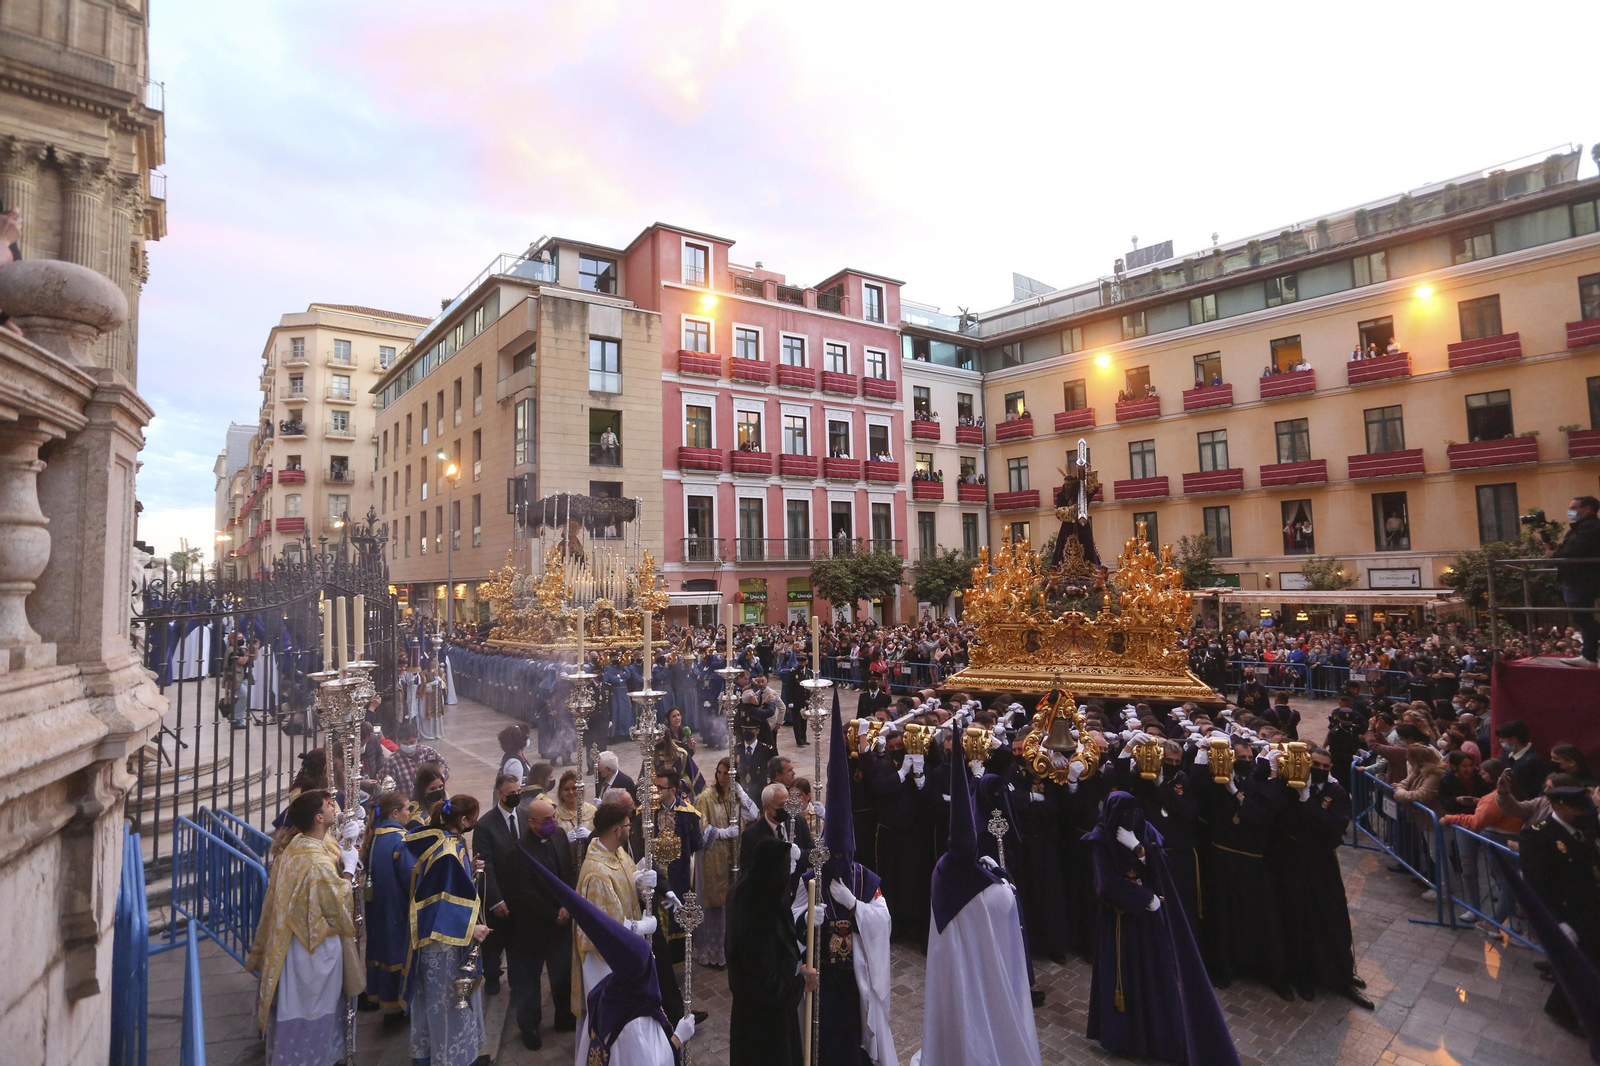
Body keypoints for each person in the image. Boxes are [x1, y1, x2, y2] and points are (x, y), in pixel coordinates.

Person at [508, 827, 697, 1065]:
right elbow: (651, 1061)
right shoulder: (635, 1020)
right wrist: (678, 1038)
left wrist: (640, 880)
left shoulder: (602, 995)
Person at [913, 726, 1041, 1066]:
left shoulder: (943, 872)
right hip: (977, 955)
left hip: (977, 954)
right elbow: (1005, 906)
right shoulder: (986, 890)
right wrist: (1002, 885)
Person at [1084, 791, 1240, 1065]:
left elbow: (1164, 868)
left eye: (1133, 812)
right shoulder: (1100, 839)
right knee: (1124, 981)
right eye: (1123, 813)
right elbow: (1106, 885)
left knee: (1155, 978)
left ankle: (1160, 1037)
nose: (1129, 818)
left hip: (1149, 925)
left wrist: (1139, 850)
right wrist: (1146, 898)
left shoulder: (1145, 831)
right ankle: (1125, 1038)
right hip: (1119, 924)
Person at [795, 691, 897, 1065]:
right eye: (832, 855)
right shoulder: (810, 879)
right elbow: (791, 918)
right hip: (820, 973)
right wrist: (808, 918)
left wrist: (856, 906)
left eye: (843, 856)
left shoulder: (865, 880)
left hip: (855, 973)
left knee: (853, 1036)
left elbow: (884, 922)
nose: (838, 861)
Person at [246, 789, 364, 1066]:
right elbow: (336, 903)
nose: (335, 808)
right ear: (318, 817)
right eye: (329, 805)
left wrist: (349, 839)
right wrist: (348, 871)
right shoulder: (315, 863)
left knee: (301, 1004)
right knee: (314, 1007)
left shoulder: (298, 844)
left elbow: (329, 849)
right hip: (314, 949)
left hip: (294, 943)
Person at [1270, 748, 1373, 1008]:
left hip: (1322, 861)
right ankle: (1303, 975)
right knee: (1299, 916)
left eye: (1326, 766)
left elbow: (1335, 825)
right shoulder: (1289, 788)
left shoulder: (1335, 791)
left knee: (1333, 916)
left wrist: (1307, 802)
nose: (1321, 770)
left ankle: (1342, 975)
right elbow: (1285, 821)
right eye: (1316, 764)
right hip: (1293, 859)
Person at [402, 795, 490, 1066]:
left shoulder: (445, 838)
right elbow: (439, 902)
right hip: (443, 945)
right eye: (473, 817)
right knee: (448, 1007)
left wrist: (470, 871)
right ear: (463, 820)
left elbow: (450, 884)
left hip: (438, 942)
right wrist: (471, 928)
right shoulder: (448, 852)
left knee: (437, 1006)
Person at [1518, 776, 1600, 1034]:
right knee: (1582, 963)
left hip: (1590, 907)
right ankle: (1563, 1011)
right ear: (1560, 807)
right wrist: (1557, 922)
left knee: (1587, 962)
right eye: (1577, 808)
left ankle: (1566, 1007)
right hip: (1567, 913)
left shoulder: (1584, 825)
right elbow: (1536, 884)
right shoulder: (1538, 835)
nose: (1583, 812)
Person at [728, 836, 814, 1066]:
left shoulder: (745, 892)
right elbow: (766, 984)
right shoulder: (760, 918)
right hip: (768, 1024)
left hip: (748, 1015)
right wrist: (801, 983)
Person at [502, 797, 577, 1050]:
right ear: (532, 823)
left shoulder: (559, 836)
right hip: (533, 928)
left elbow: (568, 871)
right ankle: (529, 1026)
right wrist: (554, 913)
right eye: (546, 820)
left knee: (562, 973)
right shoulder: (518, 852)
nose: (552, 823)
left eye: (553, 817)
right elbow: (525, 894)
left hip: (561, 924)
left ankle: (564, 1016)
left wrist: (567, 904)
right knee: (530, 981)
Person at [573, 802, 659, 1019]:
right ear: (617, 831)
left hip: (625, 948)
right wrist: (644, 926)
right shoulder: (597, 874)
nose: (631, 829)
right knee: (616, 1015)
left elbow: (627, 876)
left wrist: (641, 880)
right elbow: (610, 927)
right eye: (628, 825)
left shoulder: (615, 851)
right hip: (605, 961)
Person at [474, 773, 525, 997]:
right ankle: (493, 978)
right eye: (511, 793)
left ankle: (516, 980)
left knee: (517, 943)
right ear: (500, 794)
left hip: (520, 895)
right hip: (498, 894)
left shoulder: (524, 816)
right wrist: (496, 900)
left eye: (518, 792)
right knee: (494, 945)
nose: (516, 796)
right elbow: (486, 865)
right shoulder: (485, 825)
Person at [363, 791, 412, 1023]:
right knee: (398, 953)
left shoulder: (375, 836)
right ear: (395, 813)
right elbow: (411, 877)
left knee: (383, 950)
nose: (409, 814)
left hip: (378, 909)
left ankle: (386, 1003)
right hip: (398, 909)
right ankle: (398, 1006)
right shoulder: (400, 840)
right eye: (407, 809)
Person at [693, 757, 742, 967]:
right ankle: (710, 951)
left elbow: (751, 815)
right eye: (719, 772)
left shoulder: (735, 795)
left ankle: (729, 949)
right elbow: (700, 830)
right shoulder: (705, 798)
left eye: (726, 774)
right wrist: (723, 833)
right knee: (713, 903)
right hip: (711, 857)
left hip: (732, 857)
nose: (722, 777)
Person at [1547, 495, 1600, 667]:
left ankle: (1589, 657)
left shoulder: (1589, 528)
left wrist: (1554, 555)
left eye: (1574, 508)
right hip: (1579, 578)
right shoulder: (1581, 528)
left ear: (1588, 509)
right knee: (1583, 617)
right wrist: (1558, 550)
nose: (1570, 511)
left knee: (1582, 617)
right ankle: (1589, 656)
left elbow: (1574, 552)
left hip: (1581, 579)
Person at [381, 721, 449, 799]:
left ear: (417, 739)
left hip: (430, 799)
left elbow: (444, 765)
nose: (409, 746)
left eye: (412, 742)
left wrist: (438, 779)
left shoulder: (428, 752)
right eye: (405, 743)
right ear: (398, 742)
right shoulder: (391, 762)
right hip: (407, 803)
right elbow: (387, 790)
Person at [1495, 719, 1552, 799]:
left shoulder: (1531, 762)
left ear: (1514, 739)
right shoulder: (1506, 755)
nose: (1500, 741)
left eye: (1503, 738)